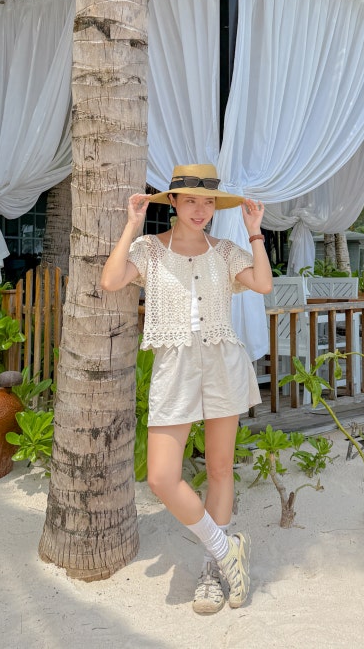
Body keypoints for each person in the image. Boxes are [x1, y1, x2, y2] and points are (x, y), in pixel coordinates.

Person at [100, 163, 273, 614]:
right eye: (191, 200)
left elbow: (263, 283)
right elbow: (111, 280)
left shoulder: (226, 251)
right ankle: (226, 549)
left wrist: (255, 232)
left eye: (208, 202)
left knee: (220, 469)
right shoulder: (150, 249)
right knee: (162, 476)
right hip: (174, 365)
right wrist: (132, 224)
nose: (200, 210)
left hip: (222, 362)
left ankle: (213, 573)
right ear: (173, 202)